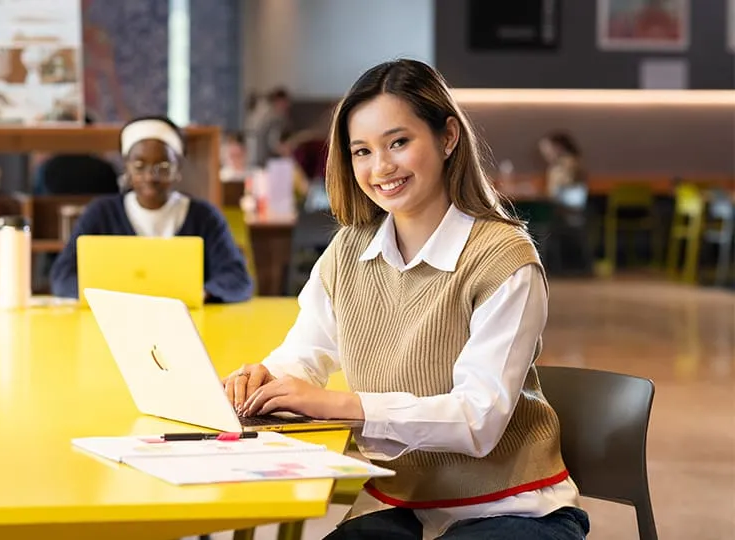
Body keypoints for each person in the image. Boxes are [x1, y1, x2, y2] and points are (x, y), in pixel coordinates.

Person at [221, 60, 589, 539]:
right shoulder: (348, 249)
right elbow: (304, 355)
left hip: (512, 508)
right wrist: (266, 380)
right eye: (361, 151)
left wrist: (337, 404)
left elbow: (478, 420)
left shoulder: (505, 260)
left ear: (448, 137)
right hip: (397, 503)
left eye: (398, 142)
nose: (381, 168)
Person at [48, 115, 254, 303]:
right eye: (139, 166)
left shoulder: (203, 217)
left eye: (163, 167)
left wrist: (200, 292)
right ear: (126, 168)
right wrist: (111, 294)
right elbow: (62, 277)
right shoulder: (101, 213)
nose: (150, 177)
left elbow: (237, 280)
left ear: (178, 169)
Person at [537, 131, 585, 201]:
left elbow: (552, 195)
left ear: (558, 148)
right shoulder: (577, 162)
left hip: (562, 207)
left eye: (547, 151)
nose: (544, 156)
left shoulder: (560, 168)